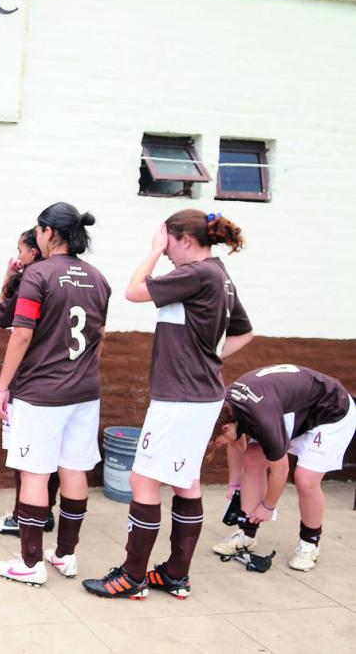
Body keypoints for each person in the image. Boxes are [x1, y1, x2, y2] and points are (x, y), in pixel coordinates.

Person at [83, 210, 253, 600]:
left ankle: (132, 576)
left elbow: (134, 290)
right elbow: (244, 333)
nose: (168, 253)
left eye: (170, 244)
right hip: (201, 395)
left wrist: (154, 252)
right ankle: (175, 574)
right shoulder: (219, 275)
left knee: (143, 480)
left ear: (185, 241)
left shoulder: (196, 273)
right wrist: (210, 358)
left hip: (181, 397)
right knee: (185, 481)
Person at [0, 204, 111, 585]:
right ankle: (65, 555)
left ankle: (29, 563)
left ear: (46, 232)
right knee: (74, 469)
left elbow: (21, 333)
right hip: (85, 392)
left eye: (39, 232)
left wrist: (3, 386)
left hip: (41, 393)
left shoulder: (38, 275)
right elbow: (100, 338)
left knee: (35, 473)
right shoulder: (98, 278)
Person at [209, 365, 356, 571]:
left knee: (305, 479)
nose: (219, 445)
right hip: (295, 407)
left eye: (218, 441)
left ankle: (309, 543)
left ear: (225, 427)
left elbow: (281, 470)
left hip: (331, 410)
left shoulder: (261, 418)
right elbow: (235, 443)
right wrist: (235, 485)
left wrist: (268, 507)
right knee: (252, 459)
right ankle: (247, 535)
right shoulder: (225, 408)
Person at [0, 227, 61, 535]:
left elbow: (7, 321)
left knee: (25, 454)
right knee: (54, 456)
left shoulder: (32, 280)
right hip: (67, 380)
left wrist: (8, 279)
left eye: (20, 251)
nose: (17, 256)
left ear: (34, 251)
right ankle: (47, 513)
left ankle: (23, 515)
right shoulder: (65, 278)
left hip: (32, 379)